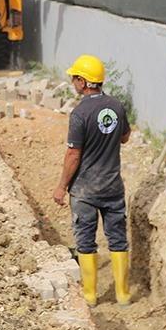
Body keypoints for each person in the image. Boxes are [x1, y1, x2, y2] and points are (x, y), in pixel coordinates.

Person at [52, 54, 132, 308]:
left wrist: (61, 186)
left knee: (86, 240)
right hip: (112, 187)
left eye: (75, 77)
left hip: (85, 190)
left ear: (83, 81)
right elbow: (125, 138)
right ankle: (123, 295)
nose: (73, 81)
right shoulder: (116, 106)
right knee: (118, 238)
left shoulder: (79, 113)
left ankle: (90, 296)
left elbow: (73, 154)